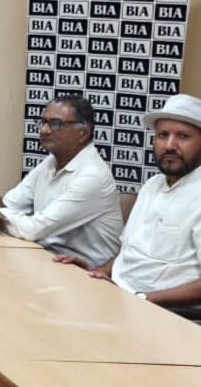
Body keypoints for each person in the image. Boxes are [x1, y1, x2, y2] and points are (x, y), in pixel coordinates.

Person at [55, 94, 201, 307]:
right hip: (118, 298)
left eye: (183, 136)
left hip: (166, 313)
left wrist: (141, 298)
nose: (170, 145)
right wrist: (97, 272)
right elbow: (129, 254)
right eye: (163, 135)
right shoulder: (152, 186)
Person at [0, 94, 122, 267]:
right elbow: (5, 207)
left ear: (83, 133)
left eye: (55, 124)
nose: (44, 130)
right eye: (43, 122)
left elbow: (33, 229)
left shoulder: (92, 176)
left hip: (84, 271)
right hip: (45, 258)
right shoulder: (50, 163)